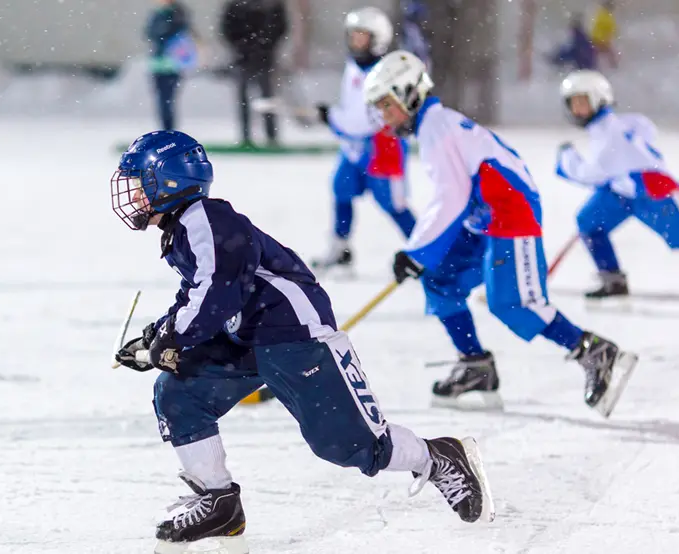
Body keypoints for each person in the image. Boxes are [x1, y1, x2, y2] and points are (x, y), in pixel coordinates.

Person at [110, 130, 494, 551]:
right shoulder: (184, 229)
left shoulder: (207, 220)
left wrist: (172, 336)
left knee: (350, 446)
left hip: (293, 332)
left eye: (140, 181)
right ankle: (218, 502)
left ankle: (437, 457)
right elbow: (197, 293)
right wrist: (157, 336)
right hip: (247, 336)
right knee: (179, 392)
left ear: (169, 181)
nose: (133, 194)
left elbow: (216, 293)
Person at [362, 51, 637, 417]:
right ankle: (475, 365)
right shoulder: (435, 125)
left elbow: (450, 197)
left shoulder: (437, 127)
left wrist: (415, 252)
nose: (384, 116)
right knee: (440, 279)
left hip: (510, 214)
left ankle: (595, 352)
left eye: (387, 104)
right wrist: (421, 256)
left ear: (410, 93)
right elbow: (455, 197)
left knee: (513, 303)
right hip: (482, 218)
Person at [556, 70, 679, 298]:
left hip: (647, 194)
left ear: (599, 98)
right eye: (573, 103)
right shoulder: (610, 126)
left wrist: (567, 158)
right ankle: (612, 280)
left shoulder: (608, 133)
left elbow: (589, 174)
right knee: (588, 223)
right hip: (620, 191)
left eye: (582, 101)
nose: (577, 109)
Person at [311, 7, 416, 273]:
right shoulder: (353, 66)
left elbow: (365, 120)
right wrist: (334, 115)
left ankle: (423, 252)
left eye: (363, 36)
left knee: (394, 206)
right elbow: (351, 108)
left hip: (382, 150)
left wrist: (331, 118)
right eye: (353, 35)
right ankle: (340, 248)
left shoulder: (385, 73)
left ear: (377, 39)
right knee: (341, 190)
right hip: (354, 150)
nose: (356, 42)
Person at [221, 0, 288, 146]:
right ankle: (246, 136)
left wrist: (265, 45)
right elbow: (227, 29)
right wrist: (242, 46)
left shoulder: (272, 5)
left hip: (264, 57)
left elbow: (280, 28)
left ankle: (271, 136)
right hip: (243, 57)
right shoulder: (235, 5)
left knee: (267, 99)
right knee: (244, 98)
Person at [144, 0, 197, 131]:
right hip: (160, 64)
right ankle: (166, 129)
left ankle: (168, 130)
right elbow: (150, 33)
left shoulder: (175, 15)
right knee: (163, 100)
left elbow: (158, 33)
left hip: (172, 64)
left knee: (167, 100)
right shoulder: (161, 14)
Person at [591, 1, 618, 69]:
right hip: (602, 40)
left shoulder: (601, 14)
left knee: (596, 54)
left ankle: (593, 66)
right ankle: (613, 66)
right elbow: (610, 27)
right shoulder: (607, 17)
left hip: (596, 38)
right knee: (609, 53)